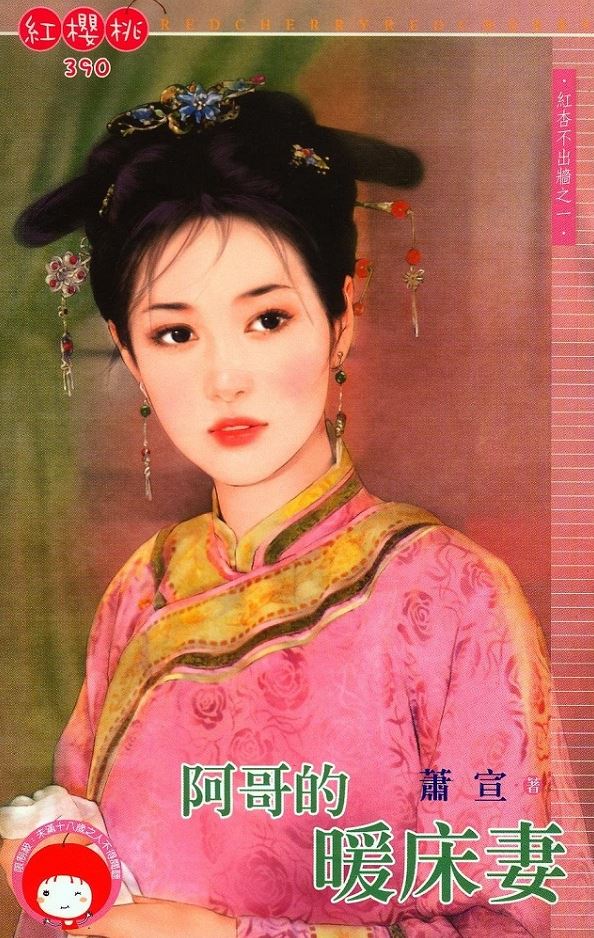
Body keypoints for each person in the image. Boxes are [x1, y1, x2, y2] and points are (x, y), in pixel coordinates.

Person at [3, 77, 554, 937]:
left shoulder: (452, 593)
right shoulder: (142, 591)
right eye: (175, 333)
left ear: (341, 318)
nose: (225, 377)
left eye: (267, 318)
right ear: (130, 356)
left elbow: (512, 912)